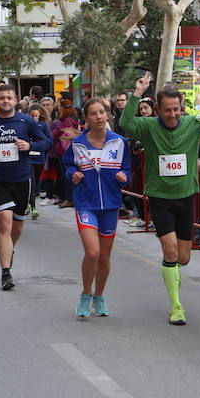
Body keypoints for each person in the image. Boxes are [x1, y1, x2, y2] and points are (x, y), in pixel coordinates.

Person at [120, 74, 200, 325]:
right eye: (167, 110)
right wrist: (137, 94)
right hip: (160, 197)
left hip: (185, 196)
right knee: (169, 251)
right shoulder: (148, 126)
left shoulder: (193, 123)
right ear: (158, 109)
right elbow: (126, 122)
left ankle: (173, 276)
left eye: (176, 110)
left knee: (184, 257)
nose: (172, 114)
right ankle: (176, 306)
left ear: (182, 108)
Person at [0, 83, 52, 290]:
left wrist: (30, 146)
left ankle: (9, 250)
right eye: (1, 98)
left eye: (9, 98)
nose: (5, 101)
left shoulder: (26, 121)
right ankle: (5, 273)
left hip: (21, 179)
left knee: (17, 227)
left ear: (15, 99)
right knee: (4, 225)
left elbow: (46, 142)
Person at [65, 98, 131, 317]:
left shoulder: (120, 142)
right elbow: (68, 165)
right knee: (92, 253)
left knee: (104, 256)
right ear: (86, 119)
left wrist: (124, 177)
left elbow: (128, 171)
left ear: (108, 114)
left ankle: (99, 296)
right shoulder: (77, 144)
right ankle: (85, 294)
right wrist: (72, 174)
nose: (99, 117)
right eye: (93, 113)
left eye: (102, 112)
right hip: (86, 203)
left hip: (111, 205)